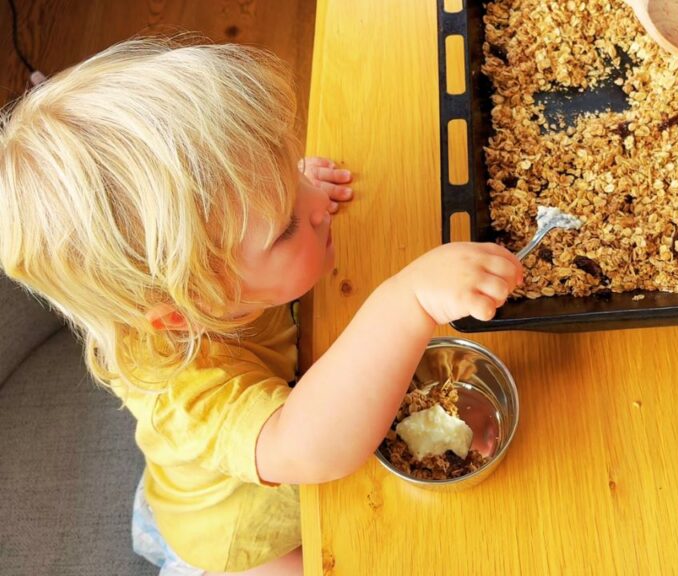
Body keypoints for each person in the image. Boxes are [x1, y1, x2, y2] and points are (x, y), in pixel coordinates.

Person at [0, 38, 522, 575]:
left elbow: (246, 217)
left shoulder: (213, 271)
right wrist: (405, 300)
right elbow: (311, 446)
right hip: (244, 535)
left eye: (291, 177)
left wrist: (283, 191)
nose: (318, 206)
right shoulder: (183, 391)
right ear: (192, 305)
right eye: (287, 225)